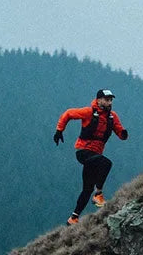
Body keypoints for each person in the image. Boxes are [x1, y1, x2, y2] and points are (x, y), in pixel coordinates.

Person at [54, 89, 128, 225]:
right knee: (106, 163)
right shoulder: (88, 112)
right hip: (83, 152)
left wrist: (123, 134)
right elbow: (68, 114)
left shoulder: (112, 116)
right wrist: (59, 130)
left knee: (87, 189)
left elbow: (118, 130)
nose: (109, 102)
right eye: (106, 99)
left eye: (111, 100)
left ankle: (73, 218)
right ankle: (98, 194)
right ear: (99, 100)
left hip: (95, 156)